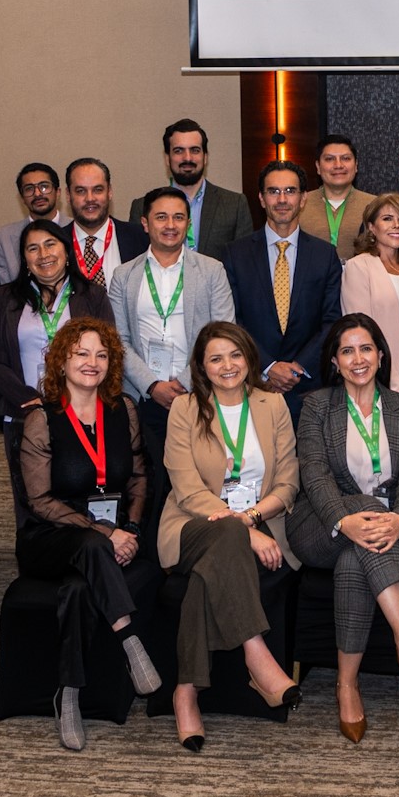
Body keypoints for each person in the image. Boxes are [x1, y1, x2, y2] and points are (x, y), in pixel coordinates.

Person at [286, 313, 399, 743]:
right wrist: (345, 518)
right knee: (362, 521)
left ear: (381, 354)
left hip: (392, 532)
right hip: (321, 525)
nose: (358, 359)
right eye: (347, 350)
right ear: (334, 360)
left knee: (356, 560)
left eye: (366, 348)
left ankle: (346, 685)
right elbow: (313, 475)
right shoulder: (316, 405)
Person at [16, 317, 163, 751]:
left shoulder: (124, 411)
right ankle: (131, 640)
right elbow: (39, 501)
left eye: (101, 354)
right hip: (51, 536)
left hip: (109, 538)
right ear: (61, 361)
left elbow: (138, 477)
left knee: (81, 590)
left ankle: (70, 696)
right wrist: (104, 533)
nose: (91, 362)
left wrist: (131, 529)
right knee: (89, 544)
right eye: (81, 353)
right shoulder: (42, 418)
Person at [160, 322, 303, 750]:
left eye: (235, 355)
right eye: (216, 358)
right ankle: (257, 657)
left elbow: (289, 481)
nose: (228, 365)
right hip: (191, 526)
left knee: (212, 570)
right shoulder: (185, 408)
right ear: (201, 367)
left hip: (255, 524)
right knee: (224, 536)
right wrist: (243, 529)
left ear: (249, 358)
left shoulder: (272, 404)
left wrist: (251, 519)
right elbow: (186, 488)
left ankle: (185, 692)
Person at [107, 186, 237, 548]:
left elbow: (222, 333)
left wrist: (183, 382)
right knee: (148, 481)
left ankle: (193, 547)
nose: (170, 225)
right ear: (145, 223)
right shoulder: (124, 275)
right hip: (144, 399)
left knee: (197, 479)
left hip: (198, 394)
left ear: (188, 223)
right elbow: (117, 339)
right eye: (161, 217)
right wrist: (152, 385)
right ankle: (149, 552)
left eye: (179, 217)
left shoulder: (211, 270)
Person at [0, 219, 113, 517]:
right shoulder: (5, 298)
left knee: (80, 494)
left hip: (82, 413)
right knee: (30, 499)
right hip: (24, 413)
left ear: (66, 251)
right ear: (24, 259)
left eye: (50, 244)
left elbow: (109, 353)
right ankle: (34, 561)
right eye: (33, 248)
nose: (43, 254)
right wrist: (28, 398)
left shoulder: (93, 296)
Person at [220, 160, 343, 420]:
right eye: (273, 192)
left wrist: (298, 367)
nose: (282, 199)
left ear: (303, 198)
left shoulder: (324, 254)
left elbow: (331, 320)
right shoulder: (235, 254)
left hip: (309, 389)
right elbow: (232, 320)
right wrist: (268, 365)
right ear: (262, 199)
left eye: (290, 191)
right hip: (252, 383)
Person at [340, 193, 399, 399]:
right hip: (377, 382)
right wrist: (394, 384)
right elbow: (361, 334)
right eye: (387, 218)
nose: (396, 225)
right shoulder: (358, 267)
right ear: (372, 227)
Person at [126, 119, 255, 262]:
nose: (187, 158)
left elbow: (244, 263)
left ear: (205, 157)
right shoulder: (142, 207)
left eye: (195, 150)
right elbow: (136, 264)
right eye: (178, 151)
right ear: (167, 158)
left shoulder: (235, 205)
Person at [61, 157, 147, 287]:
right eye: (80, 191)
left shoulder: (141, 237)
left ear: (110, 192)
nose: (90, 198)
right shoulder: (56, 242)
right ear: (68, 195)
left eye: (98, 190)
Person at [298, 133, 374, 260]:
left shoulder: (374, 205)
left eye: (345, 158)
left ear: (356, 166)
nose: (338, 165)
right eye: (329, 159)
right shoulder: (300, 203)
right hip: (312, 279)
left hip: (359, 279)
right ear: (318, 167)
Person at [0, 162, 65, 283]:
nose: (37, 194)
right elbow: (5, 290)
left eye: (44, 186)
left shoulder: (76, 229)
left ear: (58, 192)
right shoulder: (4, 238)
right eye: (29, 189)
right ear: (22, 198)